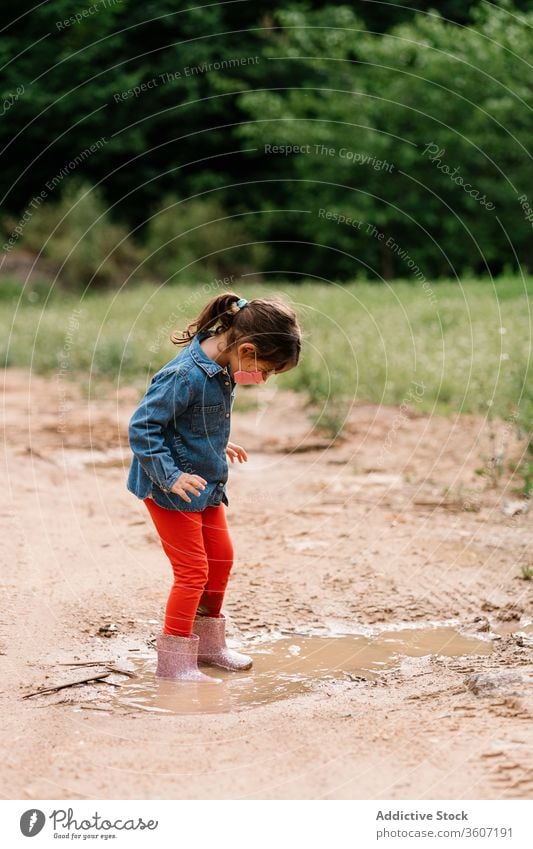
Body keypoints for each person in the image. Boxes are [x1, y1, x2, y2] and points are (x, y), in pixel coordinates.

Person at [127, 291, 302, 682]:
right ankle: (174, 662)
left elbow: (189, 420)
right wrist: (170, 475)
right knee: (192, 572)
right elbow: (143, 427)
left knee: (220, 561)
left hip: (205, 482)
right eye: (268, 370)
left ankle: (208, 646)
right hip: (170, 489)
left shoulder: (224, 365)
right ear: (249, 350)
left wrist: (215, 442)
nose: (265, 378)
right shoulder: (183, 375)